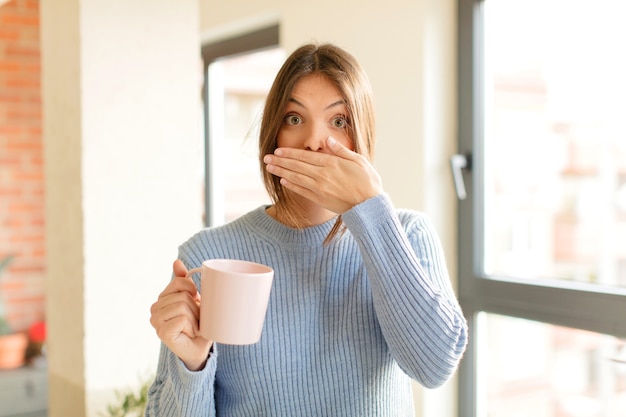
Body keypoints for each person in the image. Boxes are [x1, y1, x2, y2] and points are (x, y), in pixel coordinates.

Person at [146, 43, 468, 417]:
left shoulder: (407, 235)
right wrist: (192, 365)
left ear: (361, 135)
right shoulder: (209, 257)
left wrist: (373, 209)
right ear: (274, 135)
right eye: (294, 119)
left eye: (339, 121)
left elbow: (435, 367)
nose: (315, 141)